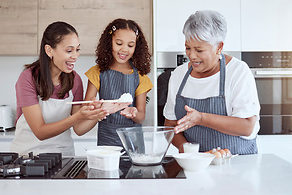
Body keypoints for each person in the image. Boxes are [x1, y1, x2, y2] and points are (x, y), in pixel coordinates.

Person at [163, 10, 260, 155]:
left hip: (238, 165)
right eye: (188, 48)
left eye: (199, 50)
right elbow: (169, 126)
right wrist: (190, 153)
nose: (192, 56)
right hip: (194, 167)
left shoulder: (238, 72)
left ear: (219, 47)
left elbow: (246, 127)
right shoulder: (179, 75)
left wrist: (201, 118)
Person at [10, 21, 109, 156]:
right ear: (49, 50)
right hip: (28, 157)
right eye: (69, 50)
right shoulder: (28, 78)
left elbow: (79, 129)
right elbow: (40, 132)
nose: (75, 56)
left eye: (77, 49)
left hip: (63, 157)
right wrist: (78, 117)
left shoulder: (75, 80)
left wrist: (99, 113)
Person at [83, 18, 153, 146]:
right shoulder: (97, 72)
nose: (124, 49)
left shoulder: (141, 77)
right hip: (107, 139)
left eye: (130, 45)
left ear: (136, 47)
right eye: (119, 43)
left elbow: (141, 116)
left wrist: (134, 113)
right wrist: (96, 107)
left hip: (134, 142)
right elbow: (87, 109)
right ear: (110, 43)